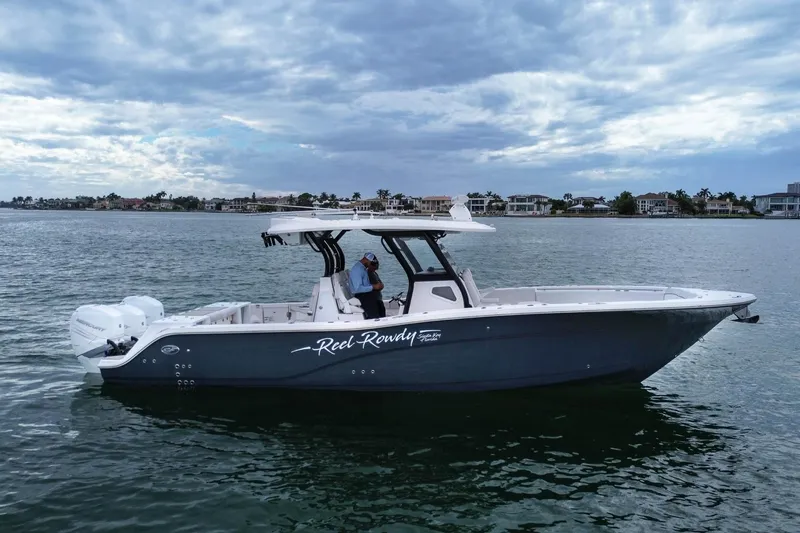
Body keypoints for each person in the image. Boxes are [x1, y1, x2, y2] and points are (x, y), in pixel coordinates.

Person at [348, 252, 384, 319]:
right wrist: (373, 286)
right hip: (361, 296)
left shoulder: (363, 268)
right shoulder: (358, 270)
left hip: (365, 294)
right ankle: (375, 320)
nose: (371, 265)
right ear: (366, 260)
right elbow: (357, 289)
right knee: (374, 306)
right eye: (371, 263)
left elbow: (365, 284)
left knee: (378, 301)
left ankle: (381, 317)